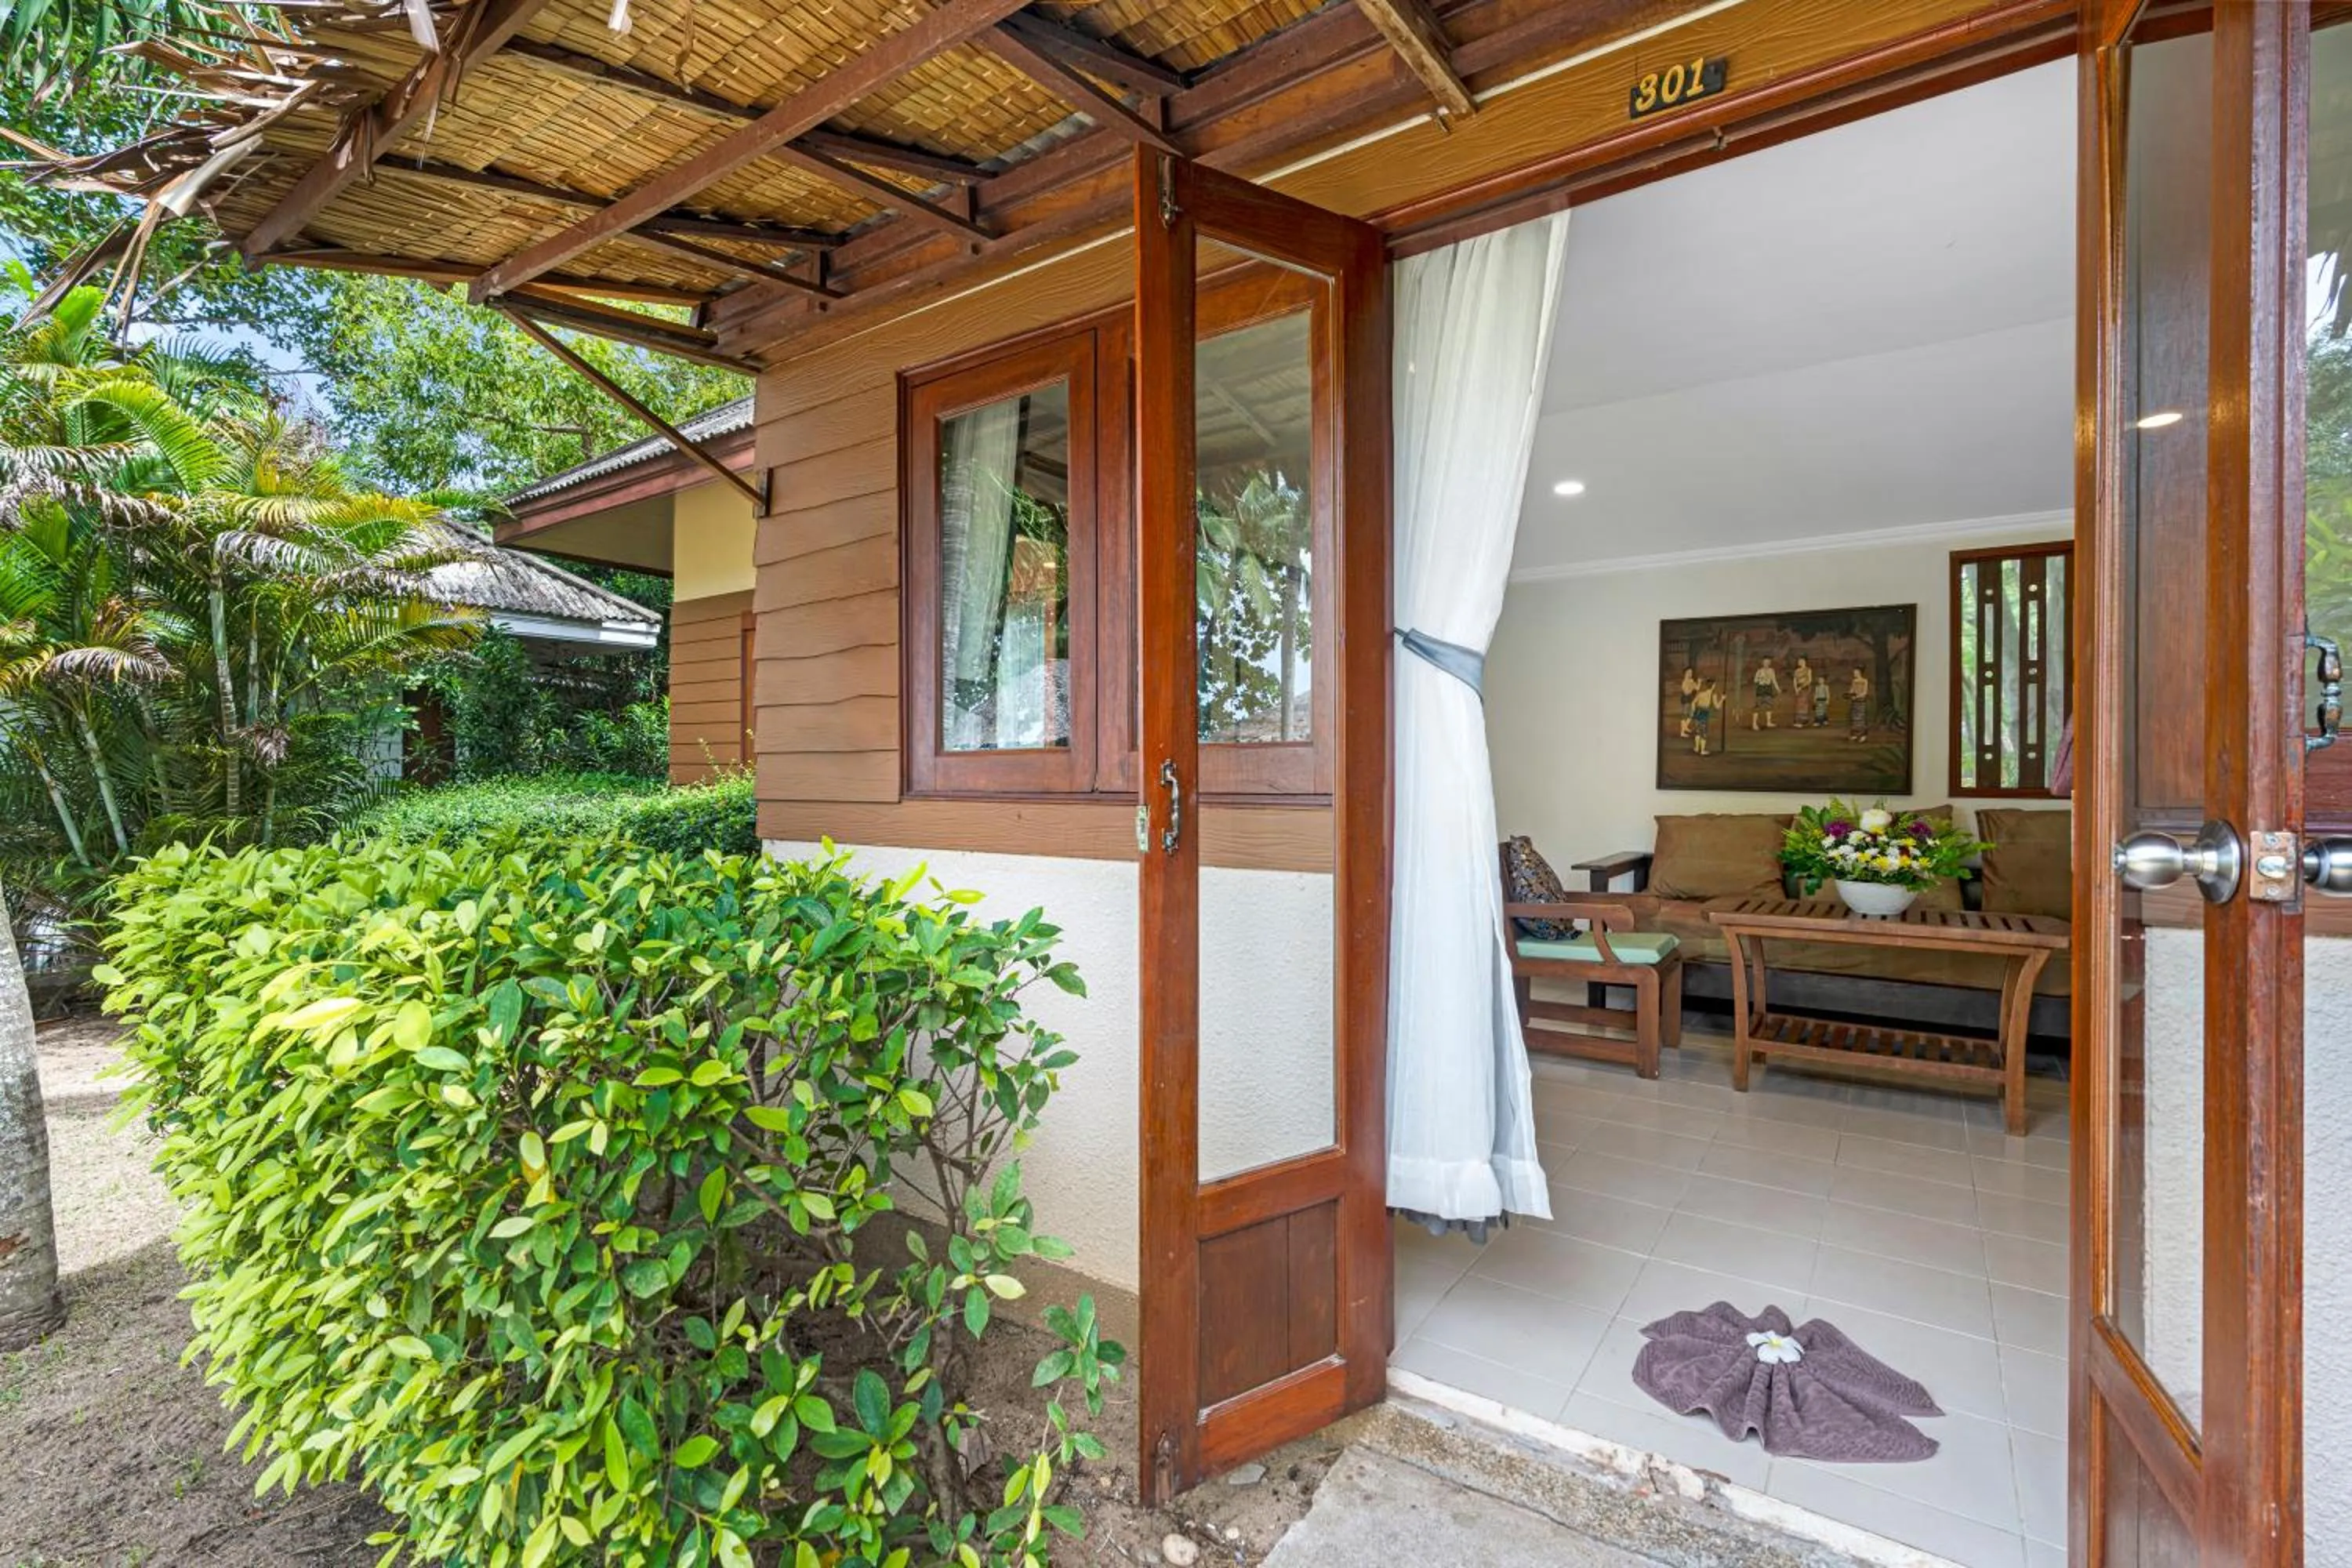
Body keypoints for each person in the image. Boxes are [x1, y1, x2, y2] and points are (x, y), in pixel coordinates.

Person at [1750, 655, 1781, 731]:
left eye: (1768, 662)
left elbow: (1774, 680)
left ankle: (1769, 722)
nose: (1766, 664)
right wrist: (1761, 678)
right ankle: (1754, 724)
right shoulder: (1759, 671)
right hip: (1761, 689)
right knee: (1757, 706)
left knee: (1769, 705)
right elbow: (1755, 681)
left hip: (1768, 688)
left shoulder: (1771, 671)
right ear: (1763, 663)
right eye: (1765, 662)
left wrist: (1777, 688)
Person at [1690, 677, 1720, 756]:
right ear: (1713, 686)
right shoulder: (1713, 695)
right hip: (1704, 712)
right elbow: (1717, 706)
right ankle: (1702, 750)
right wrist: (1722, 699)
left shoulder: (1701, 693)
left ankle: (1697, 748)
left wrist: (1693, 711)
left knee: (1697, 731)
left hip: (1698, 711)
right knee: (1703, 732)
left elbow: (1693, 703)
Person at [1847, 669, 1872, 742]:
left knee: (1861, 717)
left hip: (1861, 701)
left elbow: (1865, 692)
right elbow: (1852, 690)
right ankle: (1854, 734)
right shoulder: (1854, 681)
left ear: (1860, 673)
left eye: (1856, 673)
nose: (1854, 674)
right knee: (1854, 717)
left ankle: (1863, 735)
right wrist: (1850, 695)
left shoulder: (1864, 681)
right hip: (1854, 701)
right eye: (1854, 673)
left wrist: (1858, 696)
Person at [1791, 656, 1814, 725]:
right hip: (1798, 687)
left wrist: (1801, 687)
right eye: (1799, 661)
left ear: (1804, 662)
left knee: (1803, 703)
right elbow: (1795, 680)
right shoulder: (1797, 671)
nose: (1800, 662)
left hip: (1805, 687)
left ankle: (1803, 720)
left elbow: (1809, 680)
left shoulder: (1808, 670)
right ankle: (1798, 719)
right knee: (1798, 704)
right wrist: (1796, 689)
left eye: (1801, 661)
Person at [1677, 666, 1699, 738]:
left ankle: (1685, 727)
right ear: (1685, 673)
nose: (1690, 674)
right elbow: (1687, 692)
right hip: (1686, 700)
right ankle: (1682, 732)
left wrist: (1699, 682)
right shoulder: (1685, 681)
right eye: (1689, 673)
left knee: (1691, 714)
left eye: (1691, 673)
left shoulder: (1691, 681)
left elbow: (1697, 688)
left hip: (1690, 699)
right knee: (1685, 715)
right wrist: (1691, 685)